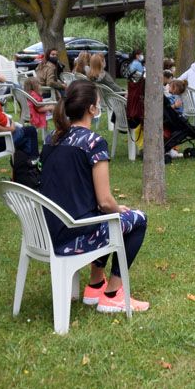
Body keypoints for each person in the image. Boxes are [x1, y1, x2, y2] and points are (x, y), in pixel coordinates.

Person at [34, 80, 150, 314]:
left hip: (46, 230)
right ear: (92, 109)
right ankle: (113, 294)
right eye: (98, 102)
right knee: (137, 219)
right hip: (74, 233)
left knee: (107, 217)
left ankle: (96, 284)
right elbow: (105, 202)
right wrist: (122, 211)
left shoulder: (51, 139)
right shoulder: (93, 143)